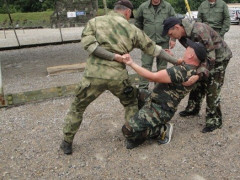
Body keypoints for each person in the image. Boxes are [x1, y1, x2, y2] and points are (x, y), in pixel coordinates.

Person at [60, 0, 181, 155]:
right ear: (127, 12)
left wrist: (111, 55)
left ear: (115, 9)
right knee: (130, 103)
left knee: (77, 107)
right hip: (118, 77)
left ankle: (67, 142)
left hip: (92, 76)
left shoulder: (94, 22)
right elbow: (155, 49)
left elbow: (90, 46)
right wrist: (176, 61)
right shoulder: (131, 29)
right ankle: (132, 139)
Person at [121, 39, 207, 149]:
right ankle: (144, 119)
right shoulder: (192, 69)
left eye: (188, 48)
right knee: (134, 93)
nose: (186, 49)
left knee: (127, 131)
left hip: (161, 109)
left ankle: (162, 130)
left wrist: (131, 63)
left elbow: (152, 77)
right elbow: (185, 65)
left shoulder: (181, 71)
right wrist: (171, 56)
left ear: (191, 55)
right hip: (158, 100)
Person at [162, 17, 232, 133]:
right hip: (206, 58)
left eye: (171, 34)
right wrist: (174, 58)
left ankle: (214, 121)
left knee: (212, 87)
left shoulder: (199, 31)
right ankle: (193, 108)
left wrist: (199, 74)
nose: (171, 37)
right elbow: (194, 54)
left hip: (219, 58)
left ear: (177, 27)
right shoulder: (182, 36)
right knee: (197, 83)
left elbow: (211, 56)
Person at [135, 0, 176, 90]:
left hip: (163, 41)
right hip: (147, 43)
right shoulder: (143, 7)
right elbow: (138, 23)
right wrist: (140, 37)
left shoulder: (168, 7)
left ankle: (159, 88)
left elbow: (174, 23)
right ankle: (143, 88)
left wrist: (173, 39)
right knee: (146, 65)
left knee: (162, 67)